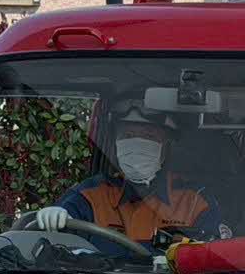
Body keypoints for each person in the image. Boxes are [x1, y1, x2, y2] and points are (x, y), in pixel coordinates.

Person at [32, 103, 229, 250]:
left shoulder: (195, 201)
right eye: (128, 136)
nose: (137, 145)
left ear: (166, 146)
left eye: (149, 136)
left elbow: (212, 260)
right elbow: (57, 239)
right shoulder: (92, 195)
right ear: (116, 144)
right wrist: (55, 218)